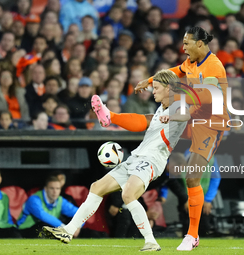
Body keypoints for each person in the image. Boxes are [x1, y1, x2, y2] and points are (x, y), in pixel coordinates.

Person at [42, 69, 190, 251]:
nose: (153, 91)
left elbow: (185, 115)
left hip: (153, 160)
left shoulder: (178, 105)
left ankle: (151, 242)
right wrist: (115, 115)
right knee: (97, 187)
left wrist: (172, 116)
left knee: (128, 195)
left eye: (157, 87)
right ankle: (69, 230)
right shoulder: (162, 108)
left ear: (169, 88)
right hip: (137, 157)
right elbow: (147, 120)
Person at [122, 26, 230, 250]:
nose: (183, 48)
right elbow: (175, 71)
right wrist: (151, 80)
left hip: (210, 123)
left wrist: (179, 111)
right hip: (192, 117)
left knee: (192, 177)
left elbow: (206, 97)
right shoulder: (190, 63)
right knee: (155, 130)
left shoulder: (214, 66)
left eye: (187, 44)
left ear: (200, 44)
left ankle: (192, 235)